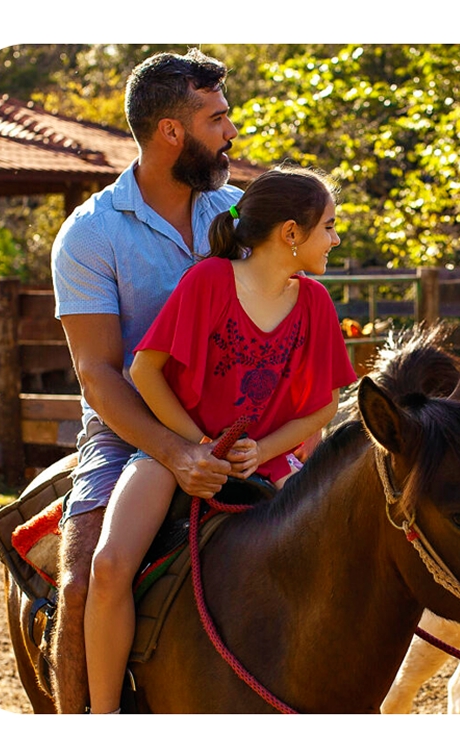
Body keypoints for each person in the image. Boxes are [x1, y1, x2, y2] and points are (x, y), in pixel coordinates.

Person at [82, 167, 358, 714]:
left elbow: (326, 403)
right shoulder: (208, 281)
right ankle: (103, 717)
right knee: (109, 564)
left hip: (267, 465)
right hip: (174, 453)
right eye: (329, 225)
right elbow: (146, 372)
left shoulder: (316, 303)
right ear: (291, 233)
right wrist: (195, 446)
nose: (336, 237)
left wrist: (269, 447)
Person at [48, 49, 248, 714]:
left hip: (240, 419)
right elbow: (99, 376)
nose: (231, 131)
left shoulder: (241, 215)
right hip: (126, 429)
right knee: (83, 581)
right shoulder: (91, 233)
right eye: (217, 118)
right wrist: (176, 452)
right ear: (172, 132)